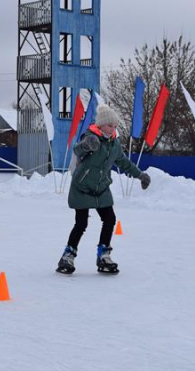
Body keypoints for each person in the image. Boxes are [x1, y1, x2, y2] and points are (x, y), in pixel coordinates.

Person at [57, 104, 150, 275]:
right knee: (81, 223)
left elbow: (124, 162)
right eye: (110, 125)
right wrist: (86, 145)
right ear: (100, 125)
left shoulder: (114, 144)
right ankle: (67, 257)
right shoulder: (91, 137)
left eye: (115, 126)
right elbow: (77, 149)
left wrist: (140, 175)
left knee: (109, 219)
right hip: (82, 188)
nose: (112, 129)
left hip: (101, 189)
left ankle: (104, 256)